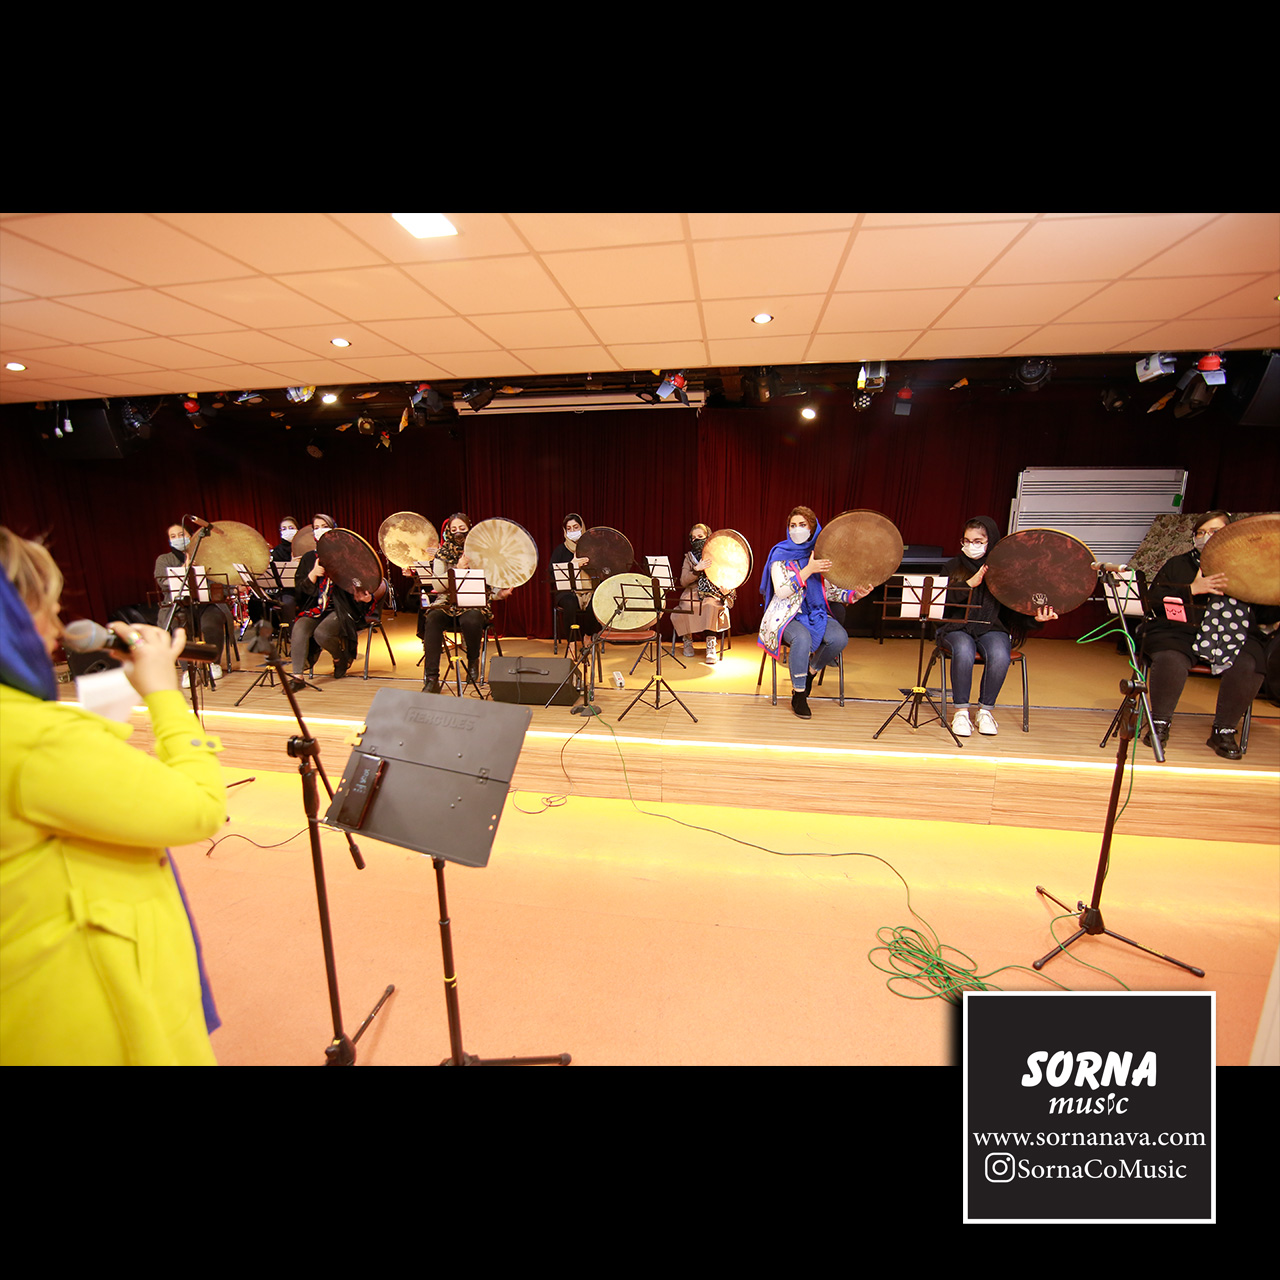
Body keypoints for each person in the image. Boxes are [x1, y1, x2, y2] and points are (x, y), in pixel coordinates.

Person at [0, 526, 226, 1065]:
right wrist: (165, 694)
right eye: (45, 608)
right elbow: (198, 808)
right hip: (84, 1012)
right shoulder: (36, 739)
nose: (57, 626)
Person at [1140, 510, 1275, 759]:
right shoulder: (1178, 564)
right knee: (1170, 657)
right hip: (1180, 631)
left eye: (1214, 532)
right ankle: (1159, 724)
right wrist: (1192, 589)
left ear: (1230, 535)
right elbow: (1153, 604)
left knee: (1250, 662)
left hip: (1234, 634)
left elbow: (1265, 615)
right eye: (1200, 533)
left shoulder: (1250, 566)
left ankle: (1224, 730)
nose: (1206, 537)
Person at [934, 516, 1057, 737]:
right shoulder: (952, 566)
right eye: (967, 541)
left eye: (978, 541)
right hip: (956, 628)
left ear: (990, 542)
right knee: (964, 650)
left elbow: (1014, 613)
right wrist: (969, 585)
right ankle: (961, 712)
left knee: (1000, 654)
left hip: (992, 627)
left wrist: (1035, 620)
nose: (971, 546)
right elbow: (939, 604)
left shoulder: (1004, 571)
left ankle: (985, 711)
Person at [758, 507, 869, 719]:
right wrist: (808, 569)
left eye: (802, 525)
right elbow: (781, 591)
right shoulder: (780, 555)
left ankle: (810, 672)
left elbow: (830, 591)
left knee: (839, 638)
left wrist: (855, 595)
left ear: (812, 528)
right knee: (802, 638)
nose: (797, 530)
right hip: (786, 613)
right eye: (793, 525)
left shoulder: (821, 555)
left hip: (814, 611)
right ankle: (799, 694)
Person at [289, 513, 385, 690]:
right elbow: (300, 591)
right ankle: (297, 678)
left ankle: (340, 657)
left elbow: (362, 584)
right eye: (316, 528)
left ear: (334, 530)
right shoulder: (309, 558)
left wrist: (365, 597)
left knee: (322, 633)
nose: (320, 530)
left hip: (342, 609)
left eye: (324, 526)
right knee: (300, 627)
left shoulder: (348, 556)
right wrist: (313, 575)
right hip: (316, 608)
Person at [419, 512, 511, 693]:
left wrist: (500, 593)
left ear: (470, 528)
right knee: (432, 619)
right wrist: (457, 569)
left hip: (474, 601)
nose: (458, 532)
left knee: (471, 619)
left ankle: (472, 661)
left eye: (462, 528)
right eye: (453, 529)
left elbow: (491, 584)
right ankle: (431, 678)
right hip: (447, 602)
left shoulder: (483, 551)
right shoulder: (442, 554)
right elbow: (437, 585)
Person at [154, 521, 234, 678]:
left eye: (181, 535)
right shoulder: (164, 559)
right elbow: (163, 582)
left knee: (211, 623)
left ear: (192, 536)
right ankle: (187, 670)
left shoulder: (207, 555)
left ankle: (213, 663)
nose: (178, 538)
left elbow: (223, 581)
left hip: (208, 603)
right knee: (179, 626)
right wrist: (183, 570)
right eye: (173, 536)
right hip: (179, 605)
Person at [673, 522, 733, 664]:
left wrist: (727, 589)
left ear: (708, 537)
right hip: (692, 591)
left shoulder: (717, 555)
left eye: (700, 537)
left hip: (712, 591)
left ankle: (710, 644)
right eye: (694, 538)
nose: (697, 540)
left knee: (711, 606)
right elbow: (683, 581)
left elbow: (728, 576)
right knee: (686, 605)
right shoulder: (689, 558)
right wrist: (696, 569)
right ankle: (687, 640)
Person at [550, 513, 602, 644]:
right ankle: (571, 643)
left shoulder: (592, 548)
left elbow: (603, 571)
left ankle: (588, 636)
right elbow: (552, 572)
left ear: (582, 527)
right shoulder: (560, 550)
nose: (572, 531)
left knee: (596, 603)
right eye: (569, 528)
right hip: (568, 591)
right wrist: (572, 565)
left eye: (576, 527)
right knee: (569, 603)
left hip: (590, 589)